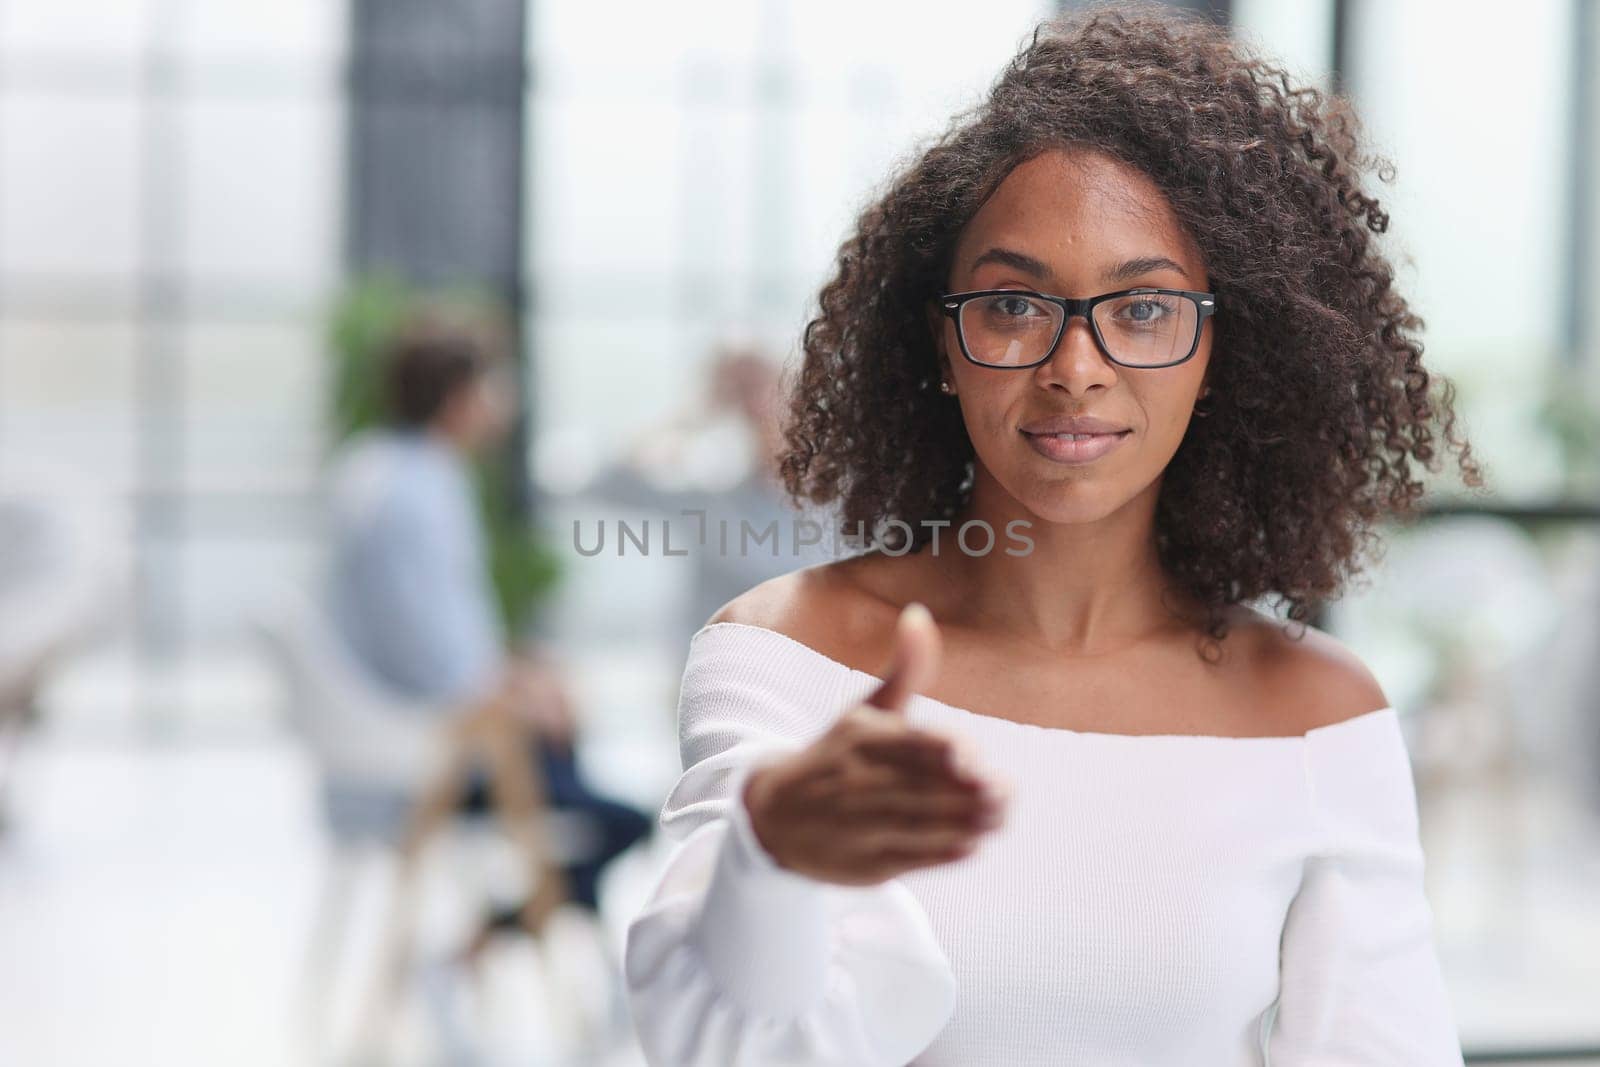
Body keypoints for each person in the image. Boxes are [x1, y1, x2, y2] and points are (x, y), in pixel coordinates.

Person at [621, 4, 1484, 1065]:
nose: (1075, 366)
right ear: (939, 339)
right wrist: (770, 855)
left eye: (1145, 309)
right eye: (1015, 304)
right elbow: (711, 1041)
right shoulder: (787, 659)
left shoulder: (1311, 714)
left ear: (1223, 352)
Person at [322, 307, 652, 928]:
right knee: (624, 821)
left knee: (566, 748)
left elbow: (430, 629)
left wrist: (518, 672)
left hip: (410, 728)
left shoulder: (386, 469)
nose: (504, 402)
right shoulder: (415, 495)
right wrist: (514, 692)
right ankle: (497, 935)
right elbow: (430, 651)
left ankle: (495, 938)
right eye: (493, 385)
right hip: (432, 754)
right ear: (458, 398)